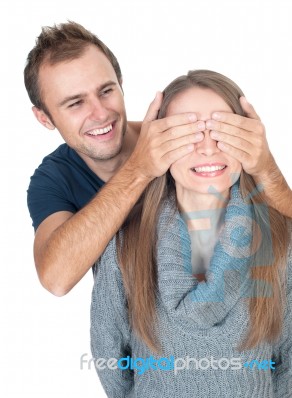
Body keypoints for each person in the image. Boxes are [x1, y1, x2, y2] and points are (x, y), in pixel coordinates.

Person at [24, 21, 292, 296]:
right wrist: (139, 170)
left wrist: (266, 169)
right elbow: (56, 279)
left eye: (106, 91)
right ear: (44, 118)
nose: (100, 113)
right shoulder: (53, 179)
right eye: (75, 103)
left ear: (121, 85)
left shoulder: (188, 141)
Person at [90, 70, 292, 398]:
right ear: (157, 145)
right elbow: (109, 356)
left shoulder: (281, 239)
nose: (209, 148)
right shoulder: (125, 244)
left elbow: (288, 364)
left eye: (223, 130)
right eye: (187, 133)